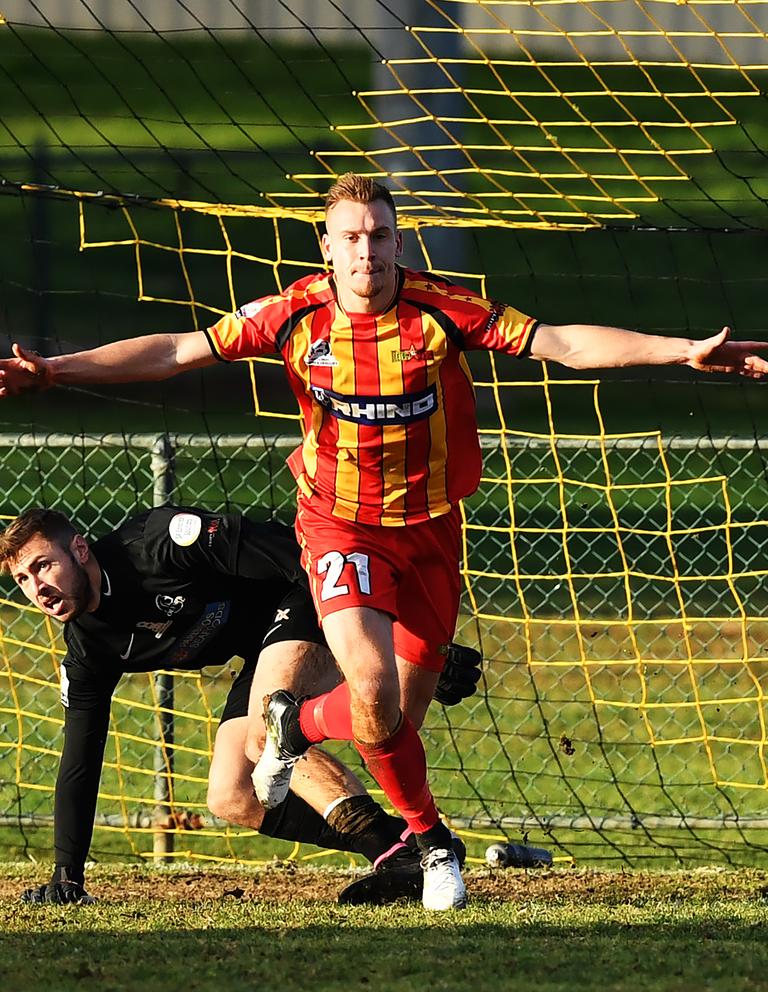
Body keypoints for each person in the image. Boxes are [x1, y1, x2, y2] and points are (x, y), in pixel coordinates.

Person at [2, 173, 767, 909]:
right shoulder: (289, 316)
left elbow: (562, 342)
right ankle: (432, 848)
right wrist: (54, 373)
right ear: (325, 248)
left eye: (380, 236)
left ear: (399, 243)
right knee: (368, 688)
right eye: (351, 238)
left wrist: (681, 349)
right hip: (339, 525)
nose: (366, 252)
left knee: (389, 721)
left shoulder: (442, 312)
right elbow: (176, 350)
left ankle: (297, 730)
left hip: (432, 530)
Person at [0, 504, 480, 905]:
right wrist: (68, 875)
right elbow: (80, 759)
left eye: (43, 565)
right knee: (230, 794)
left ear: (79, 549)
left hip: (308, 593)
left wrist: (398, 643)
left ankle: (426, 843)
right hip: (260, 648)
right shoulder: (89, 647)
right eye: (22, 579)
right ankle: (402, 851)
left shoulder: (159, 544)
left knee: (262, 731)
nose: (37, 588)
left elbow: (304, 556)